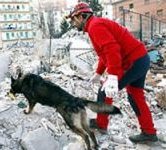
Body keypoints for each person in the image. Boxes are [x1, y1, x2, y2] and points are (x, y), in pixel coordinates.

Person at [66, 2, 158, 143]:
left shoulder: (95, 26)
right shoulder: (95, 25)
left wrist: (113, 77)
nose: (73, 23)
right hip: (140, 59)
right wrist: (98, 73)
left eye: (73, 19)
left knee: (104, 92)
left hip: (132, 61)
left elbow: (111, 50)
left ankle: (101, 124)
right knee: (135, 97)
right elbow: (105, 54)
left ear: (82, 16)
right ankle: (149, 133)